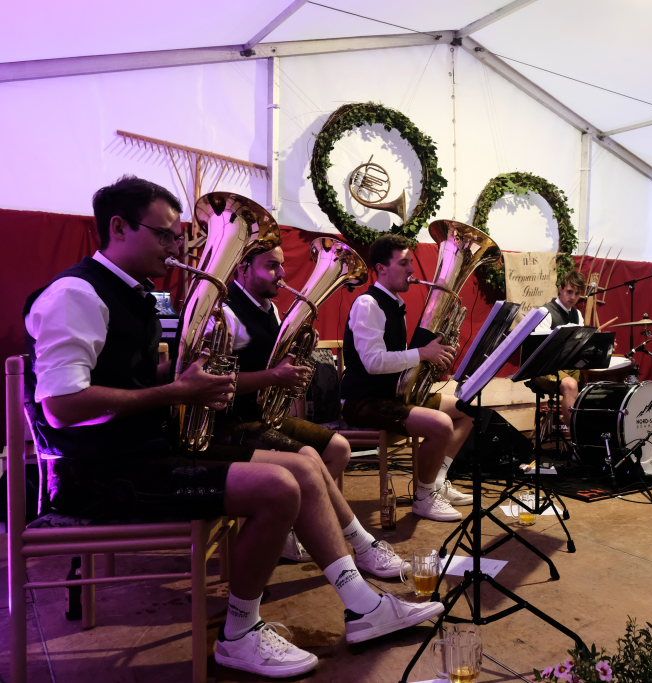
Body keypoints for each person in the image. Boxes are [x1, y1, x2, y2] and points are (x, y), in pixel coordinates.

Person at [23, 176, 442, 679]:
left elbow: (125, 378)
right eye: (164, 234)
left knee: (305, 468)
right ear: (118, 227)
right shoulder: (75, 293)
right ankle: (240, 634)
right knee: (279, 487)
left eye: (178, 235)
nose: (176, 247)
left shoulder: (132, 294)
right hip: (98, 472)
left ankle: (363, 606)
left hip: (145, 448)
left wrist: (181, 373)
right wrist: (179, 390)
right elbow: (62, 406)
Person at [215, 243, 402, 577]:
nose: (282, 274)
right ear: (242, 268)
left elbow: (275, 363)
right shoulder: (227, 314)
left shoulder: (270, 309)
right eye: (271, 266)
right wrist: (274, 376)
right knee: (310, 459)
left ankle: (293, 526)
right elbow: (214, 383)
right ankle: (360, 545)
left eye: (281, 265)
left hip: (263, 416)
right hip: (232, 422)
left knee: (338, 448)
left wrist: (296, 356)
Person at [339, 234, 474, 523]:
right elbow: (373, 362)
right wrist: (423, 353)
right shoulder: (367, 304)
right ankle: (424, 497)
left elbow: (397, 358)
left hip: (392, 396)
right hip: (363, 401)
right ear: (381, 268)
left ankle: (437, 480)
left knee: (466, 410)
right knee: (441, 424)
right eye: (404, 263)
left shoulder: (395, 304)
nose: (411, 269)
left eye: (411, 262)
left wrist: (430, 360)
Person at [529, 269, 586, 427]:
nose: (573, 297)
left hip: (568, 366)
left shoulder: (577, 314)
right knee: (571, 385)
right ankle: (574, 434)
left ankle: (583, 429)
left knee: (593, 384)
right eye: (569, 291)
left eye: (577, 293)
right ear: (560, 289)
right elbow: (540, 348)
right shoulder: (546, 312)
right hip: (545, 368)